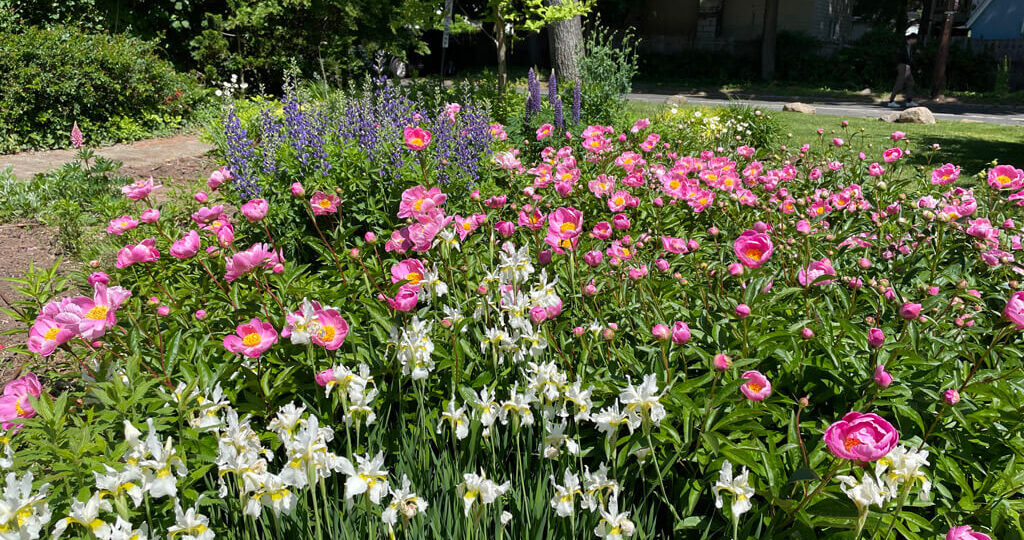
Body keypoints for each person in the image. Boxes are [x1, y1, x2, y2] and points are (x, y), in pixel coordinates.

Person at [888, 27, 920, 108]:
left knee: (911, 82)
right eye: (915, 39)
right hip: (903, 65)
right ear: (912, 39)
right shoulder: (903, 46)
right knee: (899, 83)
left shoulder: (910, 47)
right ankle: (891, 101)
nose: (916, 41)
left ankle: (909, 101)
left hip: (907, 66)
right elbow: (900, 56)